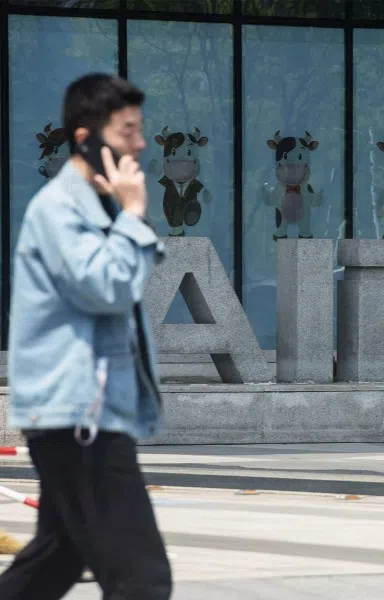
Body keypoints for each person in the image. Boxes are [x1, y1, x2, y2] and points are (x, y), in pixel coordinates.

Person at [0, 73, 172, 599]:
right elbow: (108, 286)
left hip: (83, 412)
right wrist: (136, 214)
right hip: (79, 416)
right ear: (86, 139)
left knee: (55, 560)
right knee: (142, 579)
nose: (140, 144)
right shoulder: (60, 209)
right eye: (127, 132)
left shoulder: (92, 206)